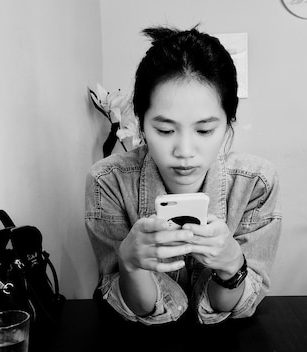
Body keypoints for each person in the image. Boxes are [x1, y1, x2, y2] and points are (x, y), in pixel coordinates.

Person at [85, 25, 281, 325]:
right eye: (165, 130)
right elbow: (140, 308)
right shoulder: (108, 181)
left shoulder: (255, 183)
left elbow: (228, 307)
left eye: (204, 130)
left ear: (228, 125)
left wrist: (232, 265)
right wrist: (130, 265)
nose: (185, 151)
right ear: (141, 123)